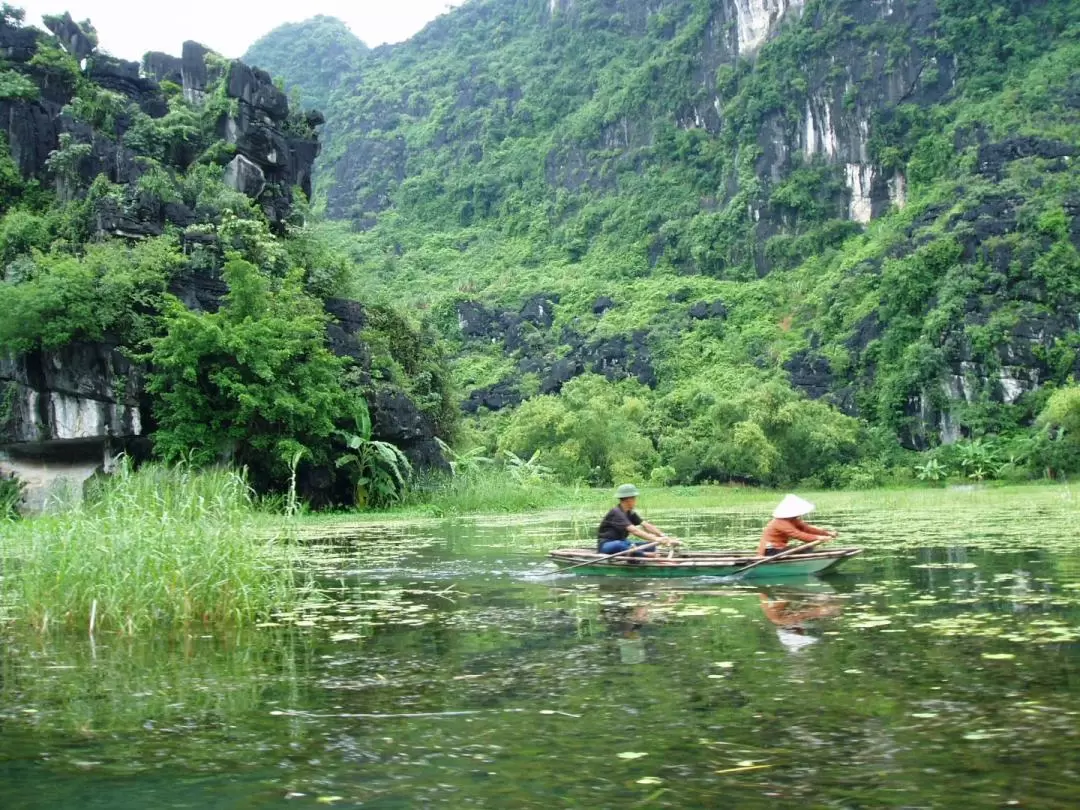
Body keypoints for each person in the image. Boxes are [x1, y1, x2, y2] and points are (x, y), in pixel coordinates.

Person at [597, 484, 675, 556]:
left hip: (624, 543)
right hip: (606, 545)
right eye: (634, 498)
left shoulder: (630, 513)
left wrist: (663, 536)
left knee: (651, 546)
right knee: (621, 545)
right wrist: (656, 539)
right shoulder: (616, 512)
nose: (635, 501)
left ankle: (638, 553)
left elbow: (646, 525)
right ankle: (645, 555)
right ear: (628, 500)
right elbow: (634, 531)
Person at [756, 494, 838, 557]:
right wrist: (818, 537)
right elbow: (797, 534)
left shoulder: (792, 520)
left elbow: (807, 529)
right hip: (769, 551)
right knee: (807, 549)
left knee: (808, 549)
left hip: (779, 548)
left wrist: (828, 533)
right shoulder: (779, 522)